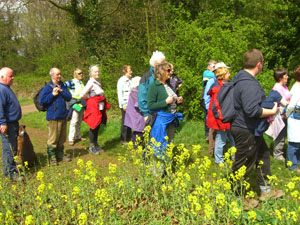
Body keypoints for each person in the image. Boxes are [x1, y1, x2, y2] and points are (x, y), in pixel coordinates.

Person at [230, 49, 283, 201]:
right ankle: (237, 197)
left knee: (263, 156)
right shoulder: (248, 84)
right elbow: (252, 110)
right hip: (245, 129)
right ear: (259, 64)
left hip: (249, 128)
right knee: (244, 164)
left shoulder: (241, 78)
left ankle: (265, 190)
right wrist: (272, 110)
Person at [147, 62, 183, 175]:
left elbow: (172, 100)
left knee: (169, 145)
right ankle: (157, 173)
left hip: (171, 120)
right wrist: (165, 102)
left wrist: (178, 101)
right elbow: (151, 106)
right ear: (162, 72)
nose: (171, 73)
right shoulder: (154, 86)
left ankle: (166, 170)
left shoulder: (169, 85)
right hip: (160, 121)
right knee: (159, 145)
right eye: (168, 70)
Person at [40, 67, 72, 166]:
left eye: (60, 74)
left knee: (62, 137)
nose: (59, 76)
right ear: (52, 75)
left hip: (63, 115)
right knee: (53, 138)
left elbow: (69, 97)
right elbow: (42, 101)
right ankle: (52, 157)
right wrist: (52, 95)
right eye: (57, 74)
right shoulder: (47, 88)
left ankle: (60, 154)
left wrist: (62, 91)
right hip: (53, 116)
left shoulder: (63, 85)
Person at [206, 66, 235, 164]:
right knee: (221, 139)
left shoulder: (227, 85)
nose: (229, 75)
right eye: (227, 73)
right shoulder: (217, 88)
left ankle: (234, 157)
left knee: (232, 137)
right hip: (220, 117)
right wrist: (221, 120)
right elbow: (216, 107)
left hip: (228, 116)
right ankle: (219, 160)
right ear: (223, 76)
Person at [80, 65, 110, 155]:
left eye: (98, 72)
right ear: (91, 73)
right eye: (95, 72)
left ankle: (96, 144)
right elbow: (82, 94)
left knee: (97, 125)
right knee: (93, 125)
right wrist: (89, 100)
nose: (97, 73)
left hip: (99, 105)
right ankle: (91, 146)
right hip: (94, 106)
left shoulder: (97, 81)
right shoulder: (91, 82)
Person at [0, 67, 23, 181]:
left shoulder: (6, 88)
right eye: (10, 76)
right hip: (7, 124)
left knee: (12, 148)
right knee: (9, 148)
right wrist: (2, 123)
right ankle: (11, 173)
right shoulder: (1, 89)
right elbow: (0, 108)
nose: (13, 78)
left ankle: (9, 169)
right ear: (2, 77)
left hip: (12, 123)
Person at [265, 69, 290, 161]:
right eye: (285, 75)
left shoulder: (284, 87)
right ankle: (278, 154)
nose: (287, 77)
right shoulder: (277, 88)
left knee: (283, 134)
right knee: (279, 133)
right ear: (280, 77)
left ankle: (280, 152)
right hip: (279, 114)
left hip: (285, 113)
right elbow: (284, 102)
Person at [138, 50, 166, 122]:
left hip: (165, 113)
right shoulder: (146, 78)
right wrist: (146, 114)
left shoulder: (165, 76)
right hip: (152, 114)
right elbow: (142, 97)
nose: (165, 66)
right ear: (155, 65)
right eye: (163, 64)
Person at [64, 68, 86, 146]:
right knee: (74, 121)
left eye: (82, 73)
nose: (81, 74)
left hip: (81, 103)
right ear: (75, 74)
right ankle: (71, 138)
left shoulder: (81, 82)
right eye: (79, 73)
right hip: (75, 104)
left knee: (79, 120)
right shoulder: (71, 82)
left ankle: (78, 136)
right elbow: (62, 86)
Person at [286, 65, 300, 172]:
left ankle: (297, 162)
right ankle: (291, 165)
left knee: (298, 141)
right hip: (295, 116)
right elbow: (291, 105)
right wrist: (286, 114)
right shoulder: (296, 88)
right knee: (294, 142)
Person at [124, 76, 145, 148]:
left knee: (138, 132)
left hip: (137, 116)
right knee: (139, 132)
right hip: (137, 116)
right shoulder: (135, 92)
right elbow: (139, 105)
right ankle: (136, 148)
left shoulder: (135, 91)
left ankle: (137, 147)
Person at [117, 65, 133, 145]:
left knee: (130, 121)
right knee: (125, 122)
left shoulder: (131, 80)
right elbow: (120, 94)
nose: (131, 72)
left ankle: (129, 136)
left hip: (131, 104)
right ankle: (123, 139)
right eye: (130, 71)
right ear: (125, 72)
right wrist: (123, 104)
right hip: (125, 105)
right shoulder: (121, 81)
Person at [202, 60, 216, 140]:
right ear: (209, 67)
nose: (215, 68)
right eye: (213, 66)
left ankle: (211, 134)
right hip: (205, 96)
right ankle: (207, 134)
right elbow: (213, 76)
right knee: (207, 116)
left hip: (211, 95)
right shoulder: (206, 72)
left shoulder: (212, 76)